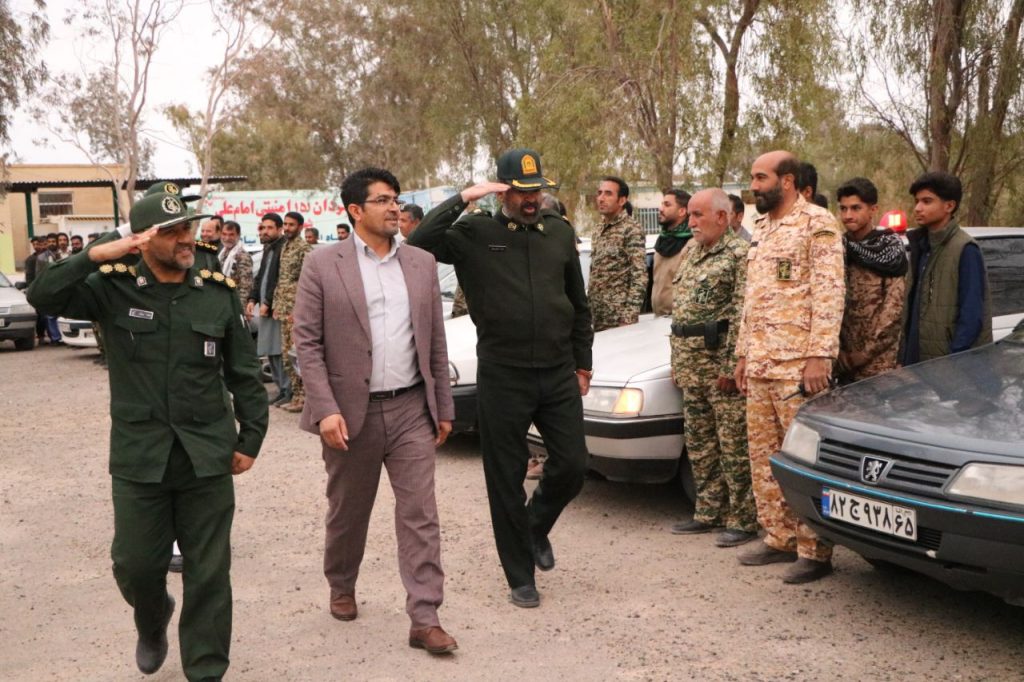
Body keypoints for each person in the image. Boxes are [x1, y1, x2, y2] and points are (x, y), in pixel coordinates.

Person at [26, 190, 269, 680]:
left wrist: (250, 439)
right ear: (143, 239)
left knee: (208, 572)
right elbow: (43, 295)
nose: (187, 239)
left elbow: (244, 372)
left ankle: (205, 670)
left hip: (206, 453)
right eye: (172, 232)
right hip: (141, 455)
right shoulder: (111, 287)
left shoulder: (215, 291)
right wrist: (100, 251)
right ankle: (153, 618)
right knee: (135, 565)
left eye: (189, 229)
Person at [409, 148, 593, 609]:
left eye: (536, 192)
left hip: (557, 370)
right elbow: (419, 242)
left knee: (573, 464)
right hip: (503, 372)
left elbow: (578, 304)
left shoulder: (558, 231)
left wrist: (583, 362)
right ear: (501, 192)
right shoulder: (474, 233)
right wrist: (464, 198)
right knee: (506, 476)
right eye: (521, 192)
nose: (531, 200)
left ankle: (534, 527)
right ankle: (520, 575)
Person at [293, 167, 458, 655]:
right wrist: (325, 409)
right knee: (349, 511)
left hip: (410, 408)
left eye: (396, 199)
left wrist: (443, 406)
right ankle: (341, 583)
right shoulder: (323, 264)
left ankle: (425, 616)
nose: (394, 208)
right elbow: (307, 343)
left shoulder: (422, 263)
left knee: (420, 513)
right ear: (355, 210)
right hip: (350, 413)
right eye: (383, 200)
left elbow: (434, 339)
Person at [734, 150, 844, 584]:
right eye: (752, 177)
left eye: (760, 178)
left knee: (804, 460)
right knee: (764, 459)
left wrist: (820, 355)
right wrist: (743, 354)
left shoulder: (817, 223)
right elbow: (753, 299)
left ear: (787, 181)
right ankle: (778, 537)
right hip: (762, 364)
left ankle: (814, 550)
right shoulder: (761, 227)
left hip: (798, 366)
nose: (753, 186)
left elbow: (830, 293)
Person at [669, 189, 757, 547]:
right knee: (700, 443)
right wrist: (676, 360)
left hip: (720, 365)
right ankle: (708, 512)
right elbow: (680, 312)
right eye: (690, 214)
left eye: (698, 215)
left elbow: (741, 314)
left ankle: (743, 519)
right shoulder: (692, 252)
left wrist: (731, 365)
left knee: (732, 445)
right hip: (691, 365)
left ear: (722, 217)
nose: (690, 222)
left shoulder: (739, 254)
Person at [900, 171, 991, 365]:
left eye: (927, 201)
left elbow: (972, 317)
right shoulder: (920, 246)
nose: (917, 208)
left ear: (949, 206)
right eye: (917, 201)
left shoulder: (965, 249)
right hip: (915, 364)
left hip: (947, 368)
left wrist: (951, 362)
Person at [834, 177, 907, 383]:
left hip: (878, 364)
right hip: (841, 362)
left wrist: (864, 354)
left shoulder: (889, 249)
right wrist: (837, 352)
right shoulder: (836, 248)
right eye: (843, 209)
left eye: (856, 208)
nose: (848, 215)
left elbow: (893, 310)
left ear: (873, 210)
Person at [589, 176, 647, 331]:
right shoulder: (598, 229)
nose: (601, 198)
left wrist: (629, 316)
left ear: (622, 200)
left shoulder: (631, 229)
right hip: (597, 317)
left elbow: (639, 275)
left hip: (618, 318)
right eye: (599, 193)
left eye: (608, 194)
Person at [248, 213, 290, 406]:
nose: (264, 231)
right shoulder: (268, 248)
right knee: (270, 350)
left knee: (280, 350)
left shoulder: (284, 248)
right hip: (265, 308)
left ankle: (288, 390)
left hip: (277, 309)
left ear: (280, 229)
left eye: (269, 228)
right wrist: (253, 298)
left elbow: (279, 280)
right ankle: (282, 389)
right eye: (262, 228)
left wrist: (268, 302)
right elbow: (261, 278)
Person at [273, 211, 313, 413]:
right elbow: (282, 279)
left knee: (298, 356)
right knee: (287, 356)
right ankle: (297, 396)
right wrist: (276, 305)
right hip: (283, 309)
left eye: (291, 225)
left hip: (296, 312)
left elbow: (308, 283)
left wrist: (299, 310)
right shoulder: (285, 247)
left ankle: (305, 398)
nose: (287, 228)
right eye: (286, 224)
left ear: (300, 227)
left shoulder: (304, 249)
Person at [651, 189, 692, 316]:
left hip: (680, 319)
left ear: (682, 211)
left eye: (667, 205)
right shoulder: (661, 241)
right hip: (658, 318)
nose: (661, 209)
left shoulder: (692, 244)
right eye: (662, 204)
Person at [219, 220, 254, 308]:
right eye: (224, 234)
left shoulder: (242, 256)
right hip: (223, 301)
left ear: (238, 236)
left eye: (231, 235)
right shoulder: (222, 254)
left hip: (235, 303)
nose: (227, 238)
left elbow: (246, 285)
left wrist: (241, 308)